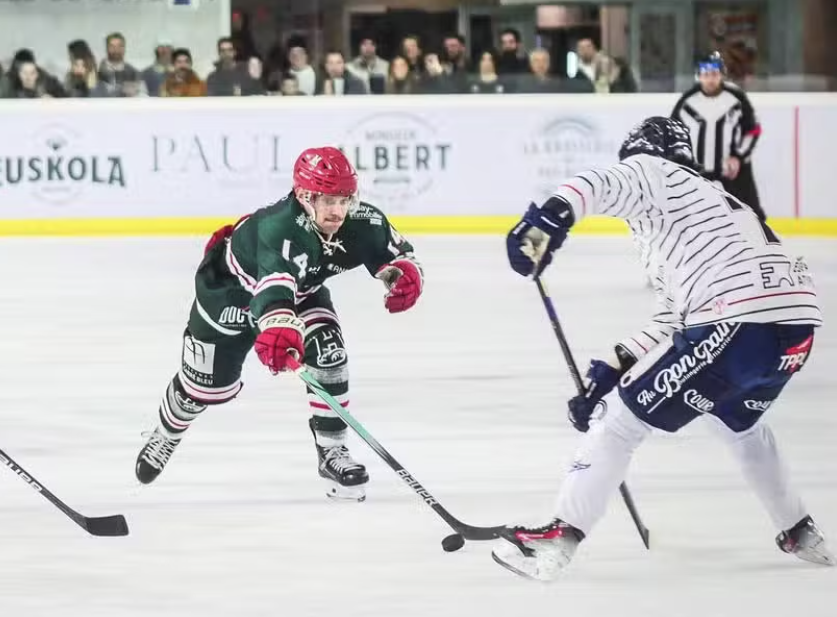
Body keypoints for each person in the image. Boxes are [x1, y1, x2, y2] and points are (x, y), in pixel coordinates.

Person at [496, 116, 832, 581]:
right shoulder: (707, 204)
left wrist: (543, 225)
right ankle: (800, 530)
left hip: (737, 316)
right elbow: (675, 316)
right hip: (794, 328)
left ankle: (560, 537)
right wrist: (612, 369)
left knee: (618, 423)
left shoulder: (655, 172)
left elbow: (599, 182)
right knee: (740, 423)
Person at [135, 147, 424, 502]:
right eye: (328, 200)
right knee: (202, 391)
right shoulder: (279, 227)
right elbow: (273, 290)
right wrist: (278, 329)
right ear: (304, 196)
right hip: (230, 296)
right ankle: (167, 432)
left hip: (299, 294)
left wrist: (404, 276)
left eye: (345, 199)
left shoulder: (362, 220)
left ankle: (332, 453)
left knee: (329, 352)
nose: (338, 210)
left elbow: (397, 255)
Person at [672, 52, 765, 221]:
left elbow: (753, 130)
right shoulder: (687, 102)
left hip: (731, 174)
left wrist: (738, 157)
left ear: (721, 75)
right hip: (697, 174)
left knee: (750, 219)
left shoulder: (736, 98)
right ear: (698, 76)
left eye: (714, 74)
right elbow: (673, 135)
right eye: (706, 75)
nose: (710, 79)